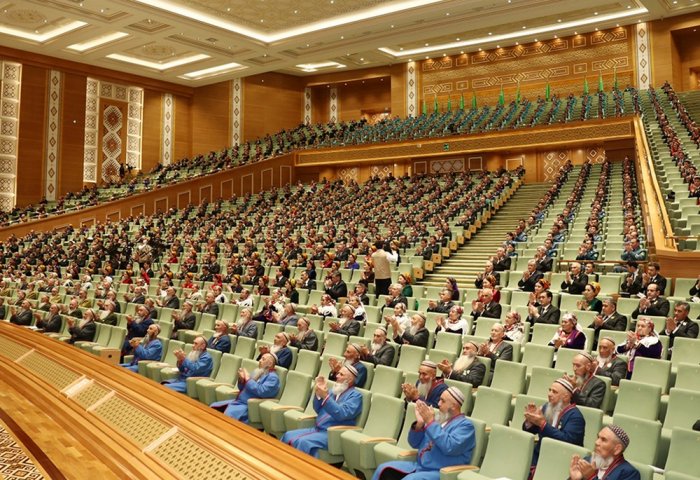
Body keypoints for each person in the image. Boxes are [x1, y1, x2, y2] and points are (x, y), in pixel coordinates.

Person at [371, 387, 476, 480]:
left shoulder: (466, 426)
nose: (438, 404)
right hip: (419, 466)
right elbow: (414, 443)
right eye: (439, 399)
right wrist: (420, 424)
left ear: (453, 406)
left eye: (442, 401)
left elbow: (449, 447)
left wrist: (430, 422)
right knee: (383, 469)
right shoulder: (439, 419)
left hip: (441, 472)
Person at [281, 365, 363, 458]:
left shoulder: (355, 396)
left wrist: (326, 397)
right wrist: (318, 393)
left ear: (349, 380)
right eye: (338, 373)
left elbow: (342, 414)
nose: (337, 376)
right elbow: (317, 409)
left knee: (303, 442)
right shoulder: (333, 391)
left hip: (332, 434)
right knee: (288, 435)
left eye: (341, 374)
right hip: (317, 429)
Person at [522, 378, 585, 467]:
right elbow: (534, 430)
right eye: (550, 390)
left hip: (560, 459)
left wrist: (542, 424)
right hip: (539, 455)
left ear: (566, 397)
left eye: (554, 392)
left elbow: (567, 441)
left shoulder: (575, 417)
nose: (549, 394)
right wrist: (530, 421)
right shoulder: (546, 406)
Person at [210, 352, 280, 423]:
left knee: (227, 417)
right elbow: (243, 388)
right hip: (239, 402)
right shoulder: (258, 372)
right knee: (213, 407)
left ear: (270, 363)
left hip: (249, 406)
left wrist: (248, 379)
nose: (259, 361)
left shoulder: (273, 378)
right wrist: (241, 380)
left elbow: (262, 391)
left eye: (263, 359)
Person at [569, 425, 641, 480]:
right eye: (598, 437)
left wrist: (591, 477)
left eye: (603, 440)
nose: (596, 442)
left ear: (617, 449)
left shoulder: (629, 473)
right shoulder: (587, 461)